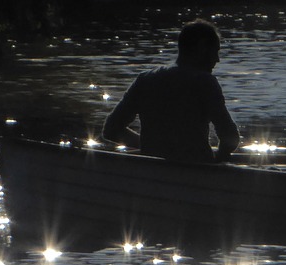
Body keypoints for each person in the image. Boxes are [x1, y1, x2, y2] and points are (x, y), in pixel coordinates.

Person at [100, 19, 240, 163]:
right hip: (196, 172)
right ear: (202, 47)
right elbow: (231, 138)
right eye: (215, 51)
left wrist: (150, 147)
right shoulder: (204, 82)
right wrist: (217, 161)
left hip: (152, 171)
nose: (217, 59)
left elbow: (111, 129)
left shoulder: (146, 79)